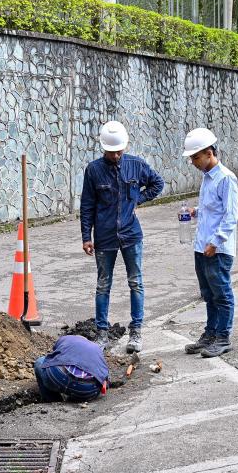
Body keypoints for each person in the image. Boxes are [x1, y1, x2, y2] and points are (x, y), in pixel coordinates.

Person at [80, 120, 164, 353]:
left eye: (119, 150)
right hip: (105, 237)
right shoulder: (94, 170)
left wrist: (138, 199)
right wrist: (86, 236)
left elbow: (158, 183)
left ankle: (136, 331)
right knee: (103, 285)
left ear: (125, 146)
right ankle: (102, 333)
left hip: (131, 235)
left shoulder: (136, 165)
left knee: (135, 282)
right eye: (111, 151)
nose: (116, 155)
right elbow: (86, 205)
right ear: (103, 148)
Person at [181, 128, 238, 358]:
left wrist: (215, 243)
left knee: (221, 293)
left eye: (196, 157)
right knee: (208, 293)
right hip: (202, 246)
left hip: (217, 249)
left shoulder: (226, 178)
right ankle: (210, 333)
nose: (193, 162)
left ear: (208, 153)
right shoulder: (207, 178)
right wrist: (194, 211)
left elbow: (230, 215)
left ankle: (223, 337)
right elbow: (211, 209)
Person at [34, 335, 109, 403]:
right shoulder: (97, 349)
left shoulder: (66, 338)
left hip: (57, 378)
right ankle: (74, 398)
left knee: (40, 362)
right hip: (86, 389)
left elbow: (53, 356)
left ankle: (52, 400)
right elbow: (105, 375)